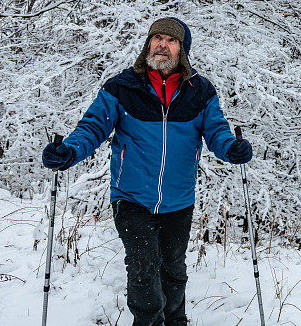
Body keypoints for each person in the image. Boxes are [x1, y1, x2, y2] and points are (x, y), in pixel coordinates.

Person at [41, 17, 253, 326]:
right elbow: (93, 126)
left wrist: (232, 148)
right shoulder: (123, 87)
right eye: (157, 38)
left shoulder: (201, 92)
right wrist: (70, 151)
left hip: (178, 199)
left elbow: (217, 131)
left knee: (173, 269)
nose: (162, 45)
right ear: (148, 44)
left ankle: (175, 321)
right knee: (143, 267)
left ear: (183, 49)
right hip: (131, 196)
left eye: (171, 40)